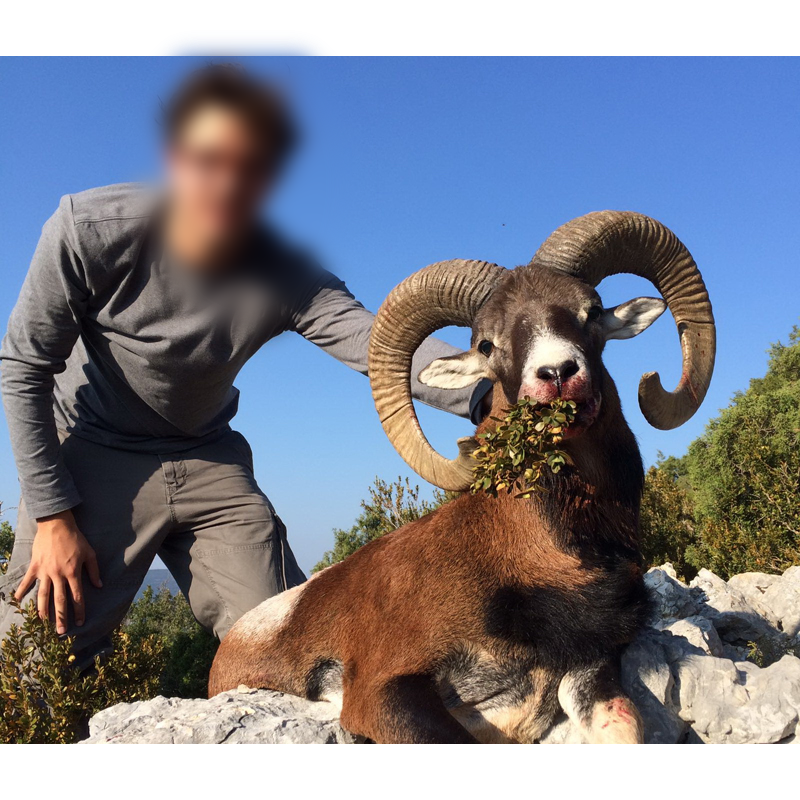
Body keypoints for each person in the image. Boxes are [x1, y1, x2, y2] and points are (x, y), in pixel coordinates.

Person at [0, 64, 489, 668]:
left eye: (250, 168)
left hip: (207, 458)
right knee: (33, 666)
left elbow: (378, 342)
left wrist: (495, 390)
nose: (226, 186)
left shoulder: (285, 274)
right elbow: (23, 364)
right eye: (208, 161)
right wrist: (52, 515)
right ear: (176, 159)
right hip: (93, 449)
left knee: (299, 647)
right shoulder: (90, 230)